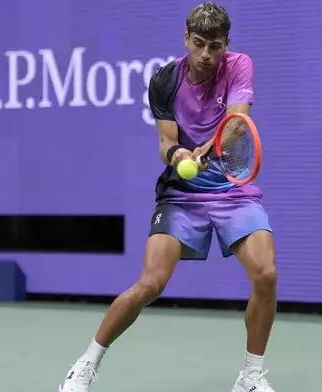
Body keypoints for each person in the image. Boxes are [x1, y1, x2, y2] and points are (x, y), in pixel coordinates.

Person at [59, 2, 278, 391]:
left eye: (215, 46)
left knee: (265, 273)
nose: (207, 55)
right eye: (199, 44)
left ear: (226, 43)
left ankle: (250, 377)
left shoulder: (239, 64)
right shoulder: (164, 79)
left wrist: (206, 154)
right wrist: (177, 155)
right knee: (151, 284)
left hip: (231, 188)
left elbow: (238, 125)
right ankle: (86, 364)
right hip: (182, 195)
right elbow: (166, 142)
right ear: (186, 39)